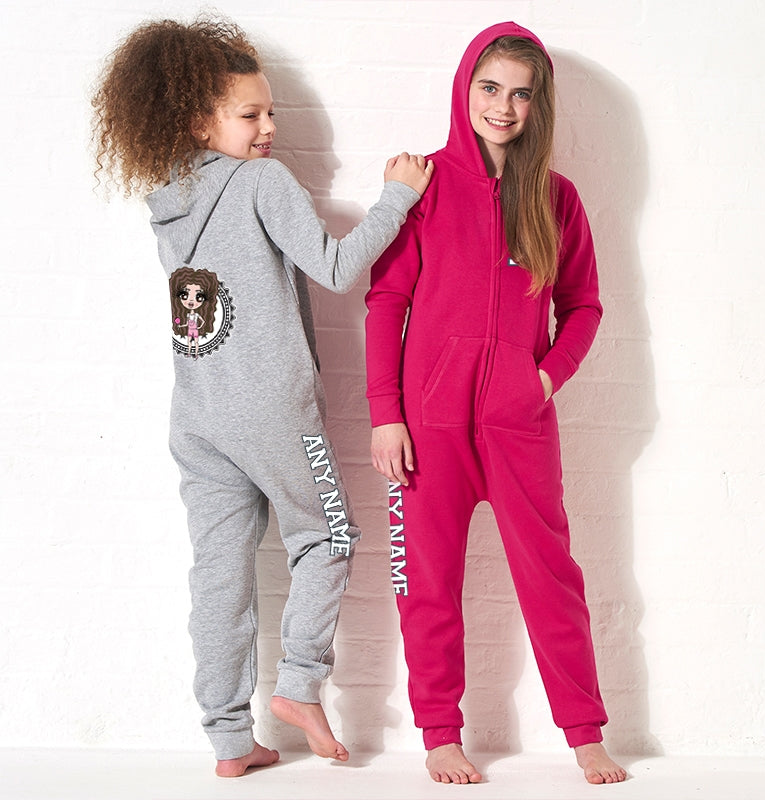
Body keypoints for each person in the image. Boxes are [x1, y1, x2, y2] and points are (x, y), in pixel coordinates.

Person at [92, 16, 432, 778]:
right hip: (273, 408)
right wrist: (396, 199)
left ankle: (228, 738)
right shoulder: (261, 183)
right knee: (329, 535)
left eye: (271, 111)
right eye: (250, 115)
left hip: (198, 416)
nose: (269, 127)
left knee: (219, 574)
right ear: (199, 121)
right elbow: (334, 266)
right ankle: (301, 685)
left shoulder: (169, 200)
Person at [366, 21, 626, 785]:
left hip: (519, 426)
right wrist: (386, 412)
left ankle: (585, 732)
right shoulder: (424, 185)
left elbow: (584, 307)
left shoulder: (557, 199)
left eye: (520, 93)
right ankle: (440, 735)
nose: (503, 107)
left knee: (551, 578)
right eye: (490, 88)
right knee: (427, 583)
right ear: (465, 89)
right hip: (428, 427)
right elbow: (386, 302)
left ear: (538, 103)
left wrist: (540, 381)